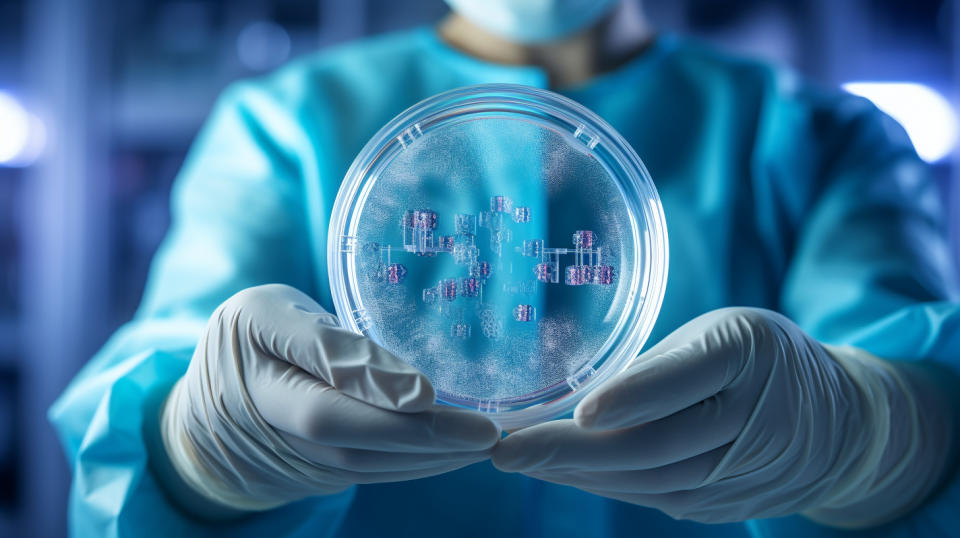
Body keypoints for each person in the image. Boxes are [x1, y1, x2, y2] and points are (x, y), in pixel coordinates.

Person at [50, 0, 960, 536]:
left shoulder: (822, 136)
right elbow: (153, 384)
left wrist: (875, 434)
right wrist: (199, 447)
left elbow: (925, 375)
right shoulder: (281, 125)